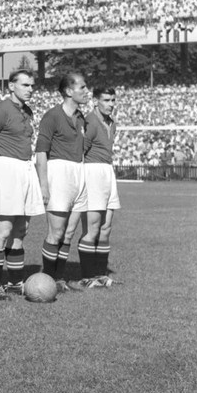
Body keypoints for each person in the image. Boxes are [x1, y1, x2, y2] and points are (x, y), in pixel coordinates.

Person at [0, 69, 45, 298]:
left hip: (25, 169)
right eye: (25, 85)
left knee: (22, 229)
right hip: (6, 169)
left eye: (31, 85)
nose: (30, 89)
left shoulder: (27, 111)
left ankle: (15, 282)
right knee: (4, 229)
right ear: (11, 86)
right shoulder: (0, 110)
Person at [36, 72, 90, 293]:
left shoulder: (80, 117)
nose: (87, 92)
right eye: (83, 88)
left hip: (79, 173)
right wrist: (44, 185)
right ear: (69, 91)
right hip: (59, 172)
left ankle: (58, 279)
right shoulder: (52, 116)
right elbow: (40, 153)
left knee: (68, 233)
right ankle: (47, 281)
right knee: (56, 233)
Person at [77, 86, 121, 288]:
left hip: (107, 172)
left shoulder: (111, 122)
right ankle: (87, 276)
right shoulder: (90, 122)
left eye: (113, 100)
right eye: (106, 100)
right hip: (92, 171)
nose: (110, 104)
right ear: (95, 101)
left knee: (106, 227)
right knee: (92, 227)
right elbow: (80, 152)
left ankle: (100, 273)